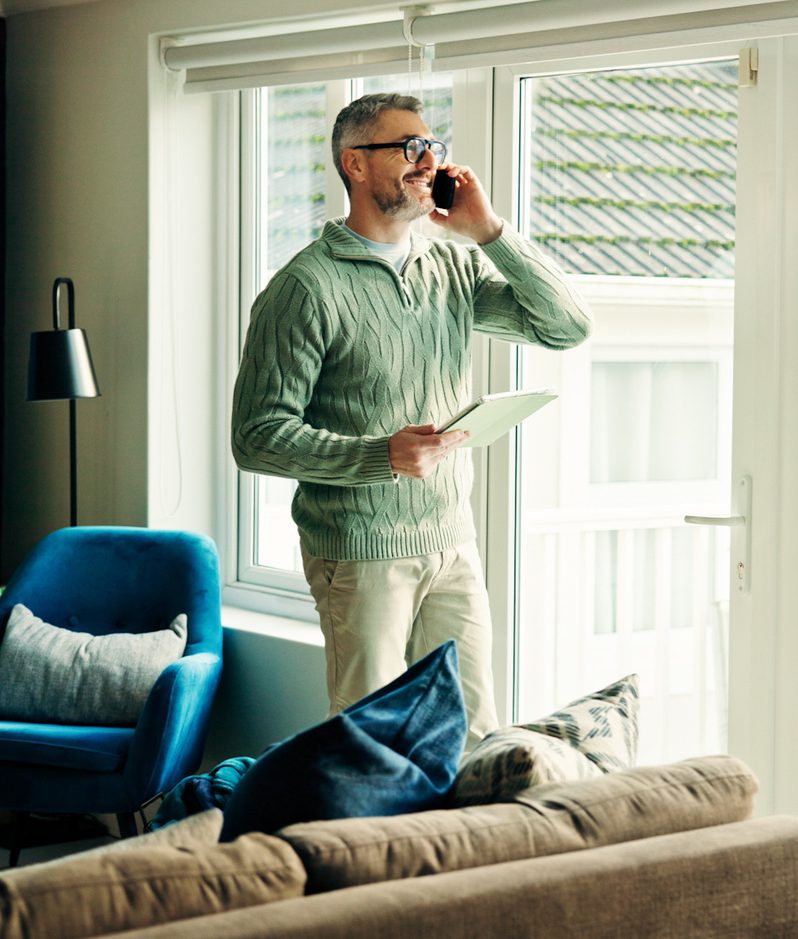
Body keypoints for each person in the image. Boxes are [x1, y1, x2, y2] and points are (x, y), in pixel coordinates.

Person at [232, 92, 592, 750]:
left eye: (432, 147)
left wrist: (490, 232)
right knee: (371, 745)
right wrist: (381, 456)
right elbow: (256, 437)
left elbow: (567, 326)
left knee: (476, 737)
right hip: (360, 553)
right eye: (409, 147)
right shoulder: (304, 288)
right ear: (356, 164)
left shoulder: (451, 265)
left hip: (452, 543)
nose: (427, 162)